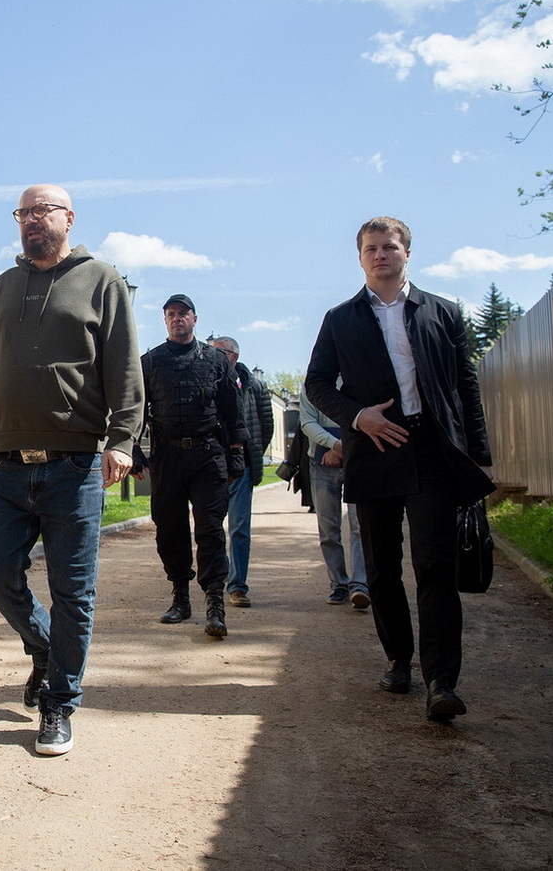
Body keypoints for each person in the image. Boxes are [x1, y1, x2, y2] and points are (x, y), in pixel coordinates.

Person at [0, 184, 144, 757]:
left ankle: (59, 703)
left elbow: (124, 367)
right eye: (23, 212)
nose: (30, 220)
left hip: (75, 465)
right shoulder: (2, 288)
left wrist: (122, 439)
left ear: (69, 218)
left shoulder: (102, 281)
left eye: (41, 211)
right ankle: (45, 647)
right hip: (9, 464)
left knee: (74, 592)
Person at [305, 216, 493, 722]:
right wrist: (357, 417)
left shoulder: (443, 312)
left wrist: (478, 454)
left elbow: (466, 385)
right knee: (382, 568)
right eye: (371, 248)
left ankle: (442, 680)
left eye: (389, 247)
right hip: (373, 451)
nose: (380, 255)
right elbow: (316, 384)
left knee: (435, 564)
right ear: (360, 257)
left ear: (407, 252)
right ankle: (398, 661)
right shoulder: (340, 319)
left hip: (431, 449)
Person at [134, 295, 246, 640]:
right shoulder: (150, 362)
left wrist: (236, 452)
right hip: (167, 457)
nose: (177, 319)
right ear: (165, 320)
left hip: (207, 455)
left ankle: (215, 603)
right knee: (170, 528)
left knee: (210, 529)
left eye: (183, 313)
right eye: (171, 314)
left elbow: (233, 410)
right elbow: (135, 408)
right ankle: (180, 598)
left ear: (195, 319)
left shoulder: (216, 360)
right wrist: (133, 447)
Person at [209, 336, 275, 607]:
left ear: (234, 357)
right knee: (211, 527)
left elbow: (266, 425)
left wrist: (251, 452)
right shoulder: (206, 381)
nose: (213, 357)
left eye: (219, 353)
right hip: (211, 465)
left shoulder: (254, 386)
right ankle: (216, 580)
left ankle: (237, 586)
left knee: (239, 528)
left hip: (241, 467)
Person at [297, 386, 370, 609]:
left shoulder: (356, 377)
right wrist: (336, 445)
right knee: (328, 528)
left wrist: (345, 448)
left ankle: (360, 584)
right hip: (321, 462)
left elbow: (365, 415)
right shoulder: (312, 385)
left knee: (360, 525)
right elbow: (308, 423)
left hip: (358, 457)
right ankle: (339, 584)